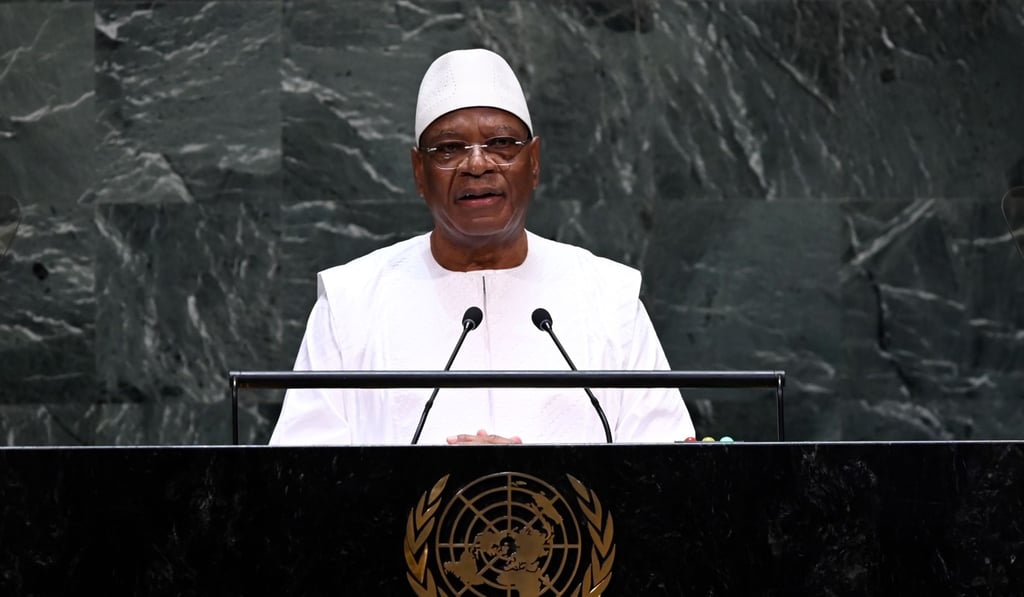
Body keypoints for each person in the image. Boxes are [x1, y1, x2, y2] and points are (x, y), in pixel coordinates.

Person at [269, 48, 694, 445]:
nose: (477, 165)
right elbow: (300, 481)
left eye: (502, 144)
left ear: (534, 163)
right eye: (450, 149)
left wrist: (526, 482)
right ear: (419, 171)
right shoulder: (351, 304)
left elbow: (664, 472)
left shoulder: (608, 297)